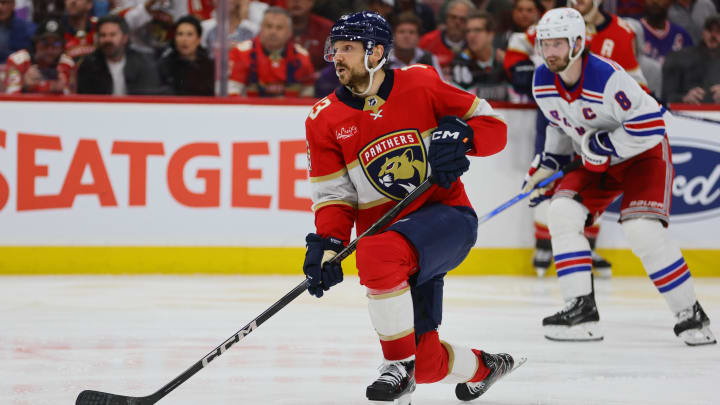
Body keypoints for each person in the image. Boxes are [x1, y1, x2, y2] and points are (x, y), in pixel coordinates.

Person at [304, 10, 519, 405]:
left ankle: (396, 368)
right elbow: (335, 196)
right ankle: (486, 367)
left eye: (348, 48)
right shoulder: (323, 119)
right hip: (392, 239)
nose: (337, 56)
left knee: (374, 251)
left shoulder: (421, 82)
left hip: (446, 219)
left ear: (377, 52)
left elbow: (496, 130)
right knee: (428, 361)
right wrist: (329, 244)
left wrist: (464, 136)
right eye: (334, 48)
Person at [524, 7, 716, 346]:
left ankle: (691, 314)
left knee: (641, 228)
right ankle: (580, 309)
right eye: (545, 44)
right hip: (600, 158)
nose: (549, 52)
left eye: (557, 44)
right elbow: (559, 124)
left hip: (643, 156)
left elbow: (653, 127)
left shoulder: (608, 77)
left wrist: (606, 144)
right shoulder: (542, 79)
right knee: (561, 212)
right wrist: (546, 165)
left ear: (578, 43)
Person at [228, 7, 314, 97]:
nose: (273, 32)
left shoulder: (302, 56)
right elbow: (233, 94)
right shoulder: (241, 53)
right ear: (260, 28)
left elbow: (308, 95)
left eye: (279, 27)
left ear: (289, 32)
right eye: (268, 26)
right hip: (250, 109)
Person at [76, 14, 163, 94]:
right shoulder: (89, 65)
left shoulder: (143, 63)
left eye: (113, 35)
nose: (107, 40)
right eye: (103, 35)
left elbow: (149, 98)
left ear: (125, 38)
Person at [449, 10, 509, 100]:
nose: (471, 35)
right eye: (468, 31)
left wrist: (508, 64)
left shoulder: (504, 59)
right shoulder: (460, 63)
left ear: (491, 35)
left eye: (477, 30)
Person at [5, 18, 75, 93]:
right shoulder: (18, 61)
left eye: (56, 44)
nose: (50, 50)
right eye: (45, 44)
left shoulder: (67, 64)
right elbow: (10, 99)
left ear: (62, 47)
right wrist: (24, 87)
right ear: (36, 44)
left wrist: (63, 91)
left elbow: (74, 101)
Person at [662, 14, 720, 104]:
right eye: (709, 30)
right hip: (685, 114)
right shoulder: (679, 57)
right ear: (703, 32)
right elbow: (666, 96)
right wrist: (684, 98)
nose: (713, 35)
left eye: (718, 31)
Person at [157, 15, 214, 95]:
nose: (184, 39)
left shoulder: (209, 66)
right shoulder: (165, 65)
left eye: (189, 34)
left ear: (198, 39)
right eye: (180, 34)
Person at [419, 0, 475, 79]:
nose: (457, 22)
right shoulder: (428, 41)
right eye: (453, 17)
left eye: (462, 19)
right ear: (446, 18)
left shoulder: (475, 44)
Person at [287, 0, 334, 73]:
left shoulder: (326, 28)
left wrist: (321, 76)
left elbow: (336, 61)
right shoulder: (274, 27)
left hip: (319, 81)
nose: (296, 1)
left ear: (311, 2)